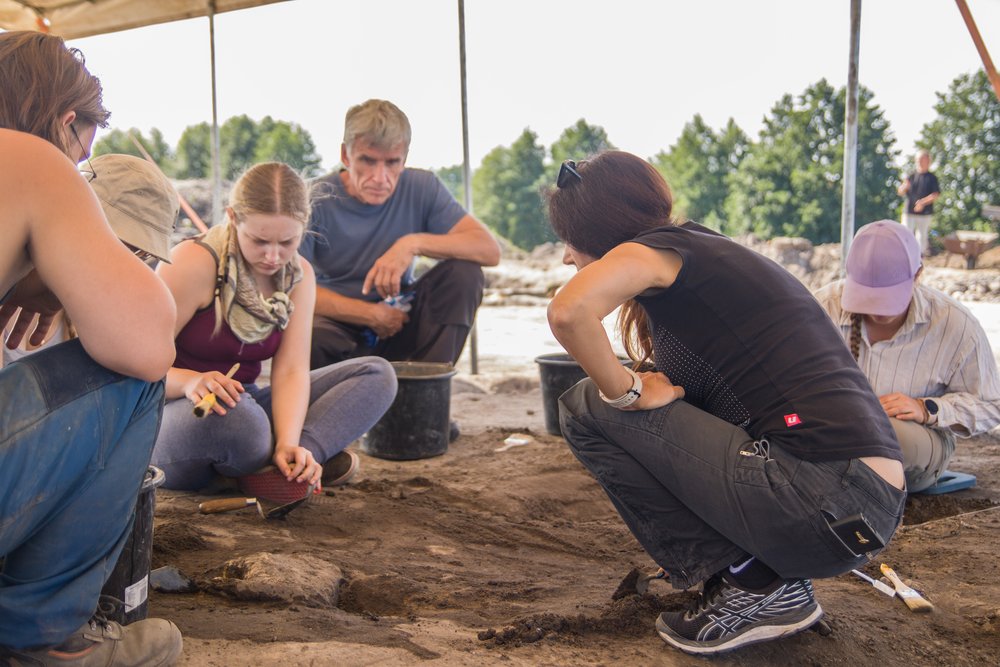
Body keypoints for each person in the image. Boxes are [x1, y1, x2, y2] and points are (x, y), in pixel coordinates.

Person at [545, 151, 905, 656]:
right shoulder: (703, 255)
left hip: (824, 497)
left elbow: (568, 311)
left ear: (600, 234)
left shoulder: (653, 252)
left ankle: (754, 582)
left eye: (570, 241)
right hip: (861, 504)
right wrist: (645, 384)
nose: (566, 257)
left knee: (588, 405)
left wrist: (623, 389)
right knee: (634, 398)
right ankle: (759, 576)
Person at [0, 31, 182, 666]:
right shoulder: (27, 154)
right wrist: (53, 271)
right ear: (66, 122)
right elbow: (148, 344)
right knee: (132, 381)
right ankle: (31, 638)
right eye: (82, 157)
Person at [151, 162, 397, 498]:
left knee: (377, 374)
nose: (273, 256)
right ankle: (278, 466)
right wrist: (191, 380)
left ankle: (289, 462)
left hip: (246, 401)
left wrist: (291, 441)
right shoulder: (194, 262)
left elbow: (292, 371)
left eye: (287, 241)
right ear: (233, 217)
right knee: (241, 421)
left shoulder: (299, 275)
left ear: (304, 227)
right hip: (178, 412)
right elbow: (136, 366)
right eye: (259, 240)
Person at [300, 99, 501, 370]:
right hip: (334, 328)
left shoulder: (423, 186)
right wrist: (370, 314)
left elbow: (488, 250)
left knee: (465, 275)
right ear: (346, 156)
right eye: (367, 161)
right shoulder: (313, 198)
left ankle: (426, 390)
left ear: (404, 158)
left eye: (392, 163)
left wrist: (411, 244)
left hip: (400, 320)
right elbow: (289, 287)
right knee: (311, 336)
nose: (380, 177)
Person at [815, 221, 1000, 492]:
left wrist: (926, 409)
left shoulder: (954, 324)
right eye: (867, 295)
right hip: (833, 432)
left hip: (914, 441)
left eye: (887, 296)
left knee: (885, 434)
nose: (877, 310)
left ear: (918, 275)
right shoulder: (823, 308)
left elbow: (990, 406)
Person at [3, 152, 180, 366]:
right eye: (117, 244)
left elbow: (152, 364)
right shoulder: (8, 269)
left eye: (141, 254)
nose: (126, 264)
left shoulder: (103, 308)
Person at [897, 149, 940, 256]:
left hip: (925, 213)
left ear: (928, 161)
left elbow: (935, 194)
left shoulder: (932, 178)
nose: (919, 162)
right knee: (905, 234)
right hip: (909, 211)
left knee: (922, 236)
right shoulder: (911, 176)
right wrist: (903, 187)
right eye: (918, 159)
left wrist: (922, 203)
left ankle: (919, 258)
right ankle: (905, 256)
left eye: (922, 159)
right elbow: (900, 191)